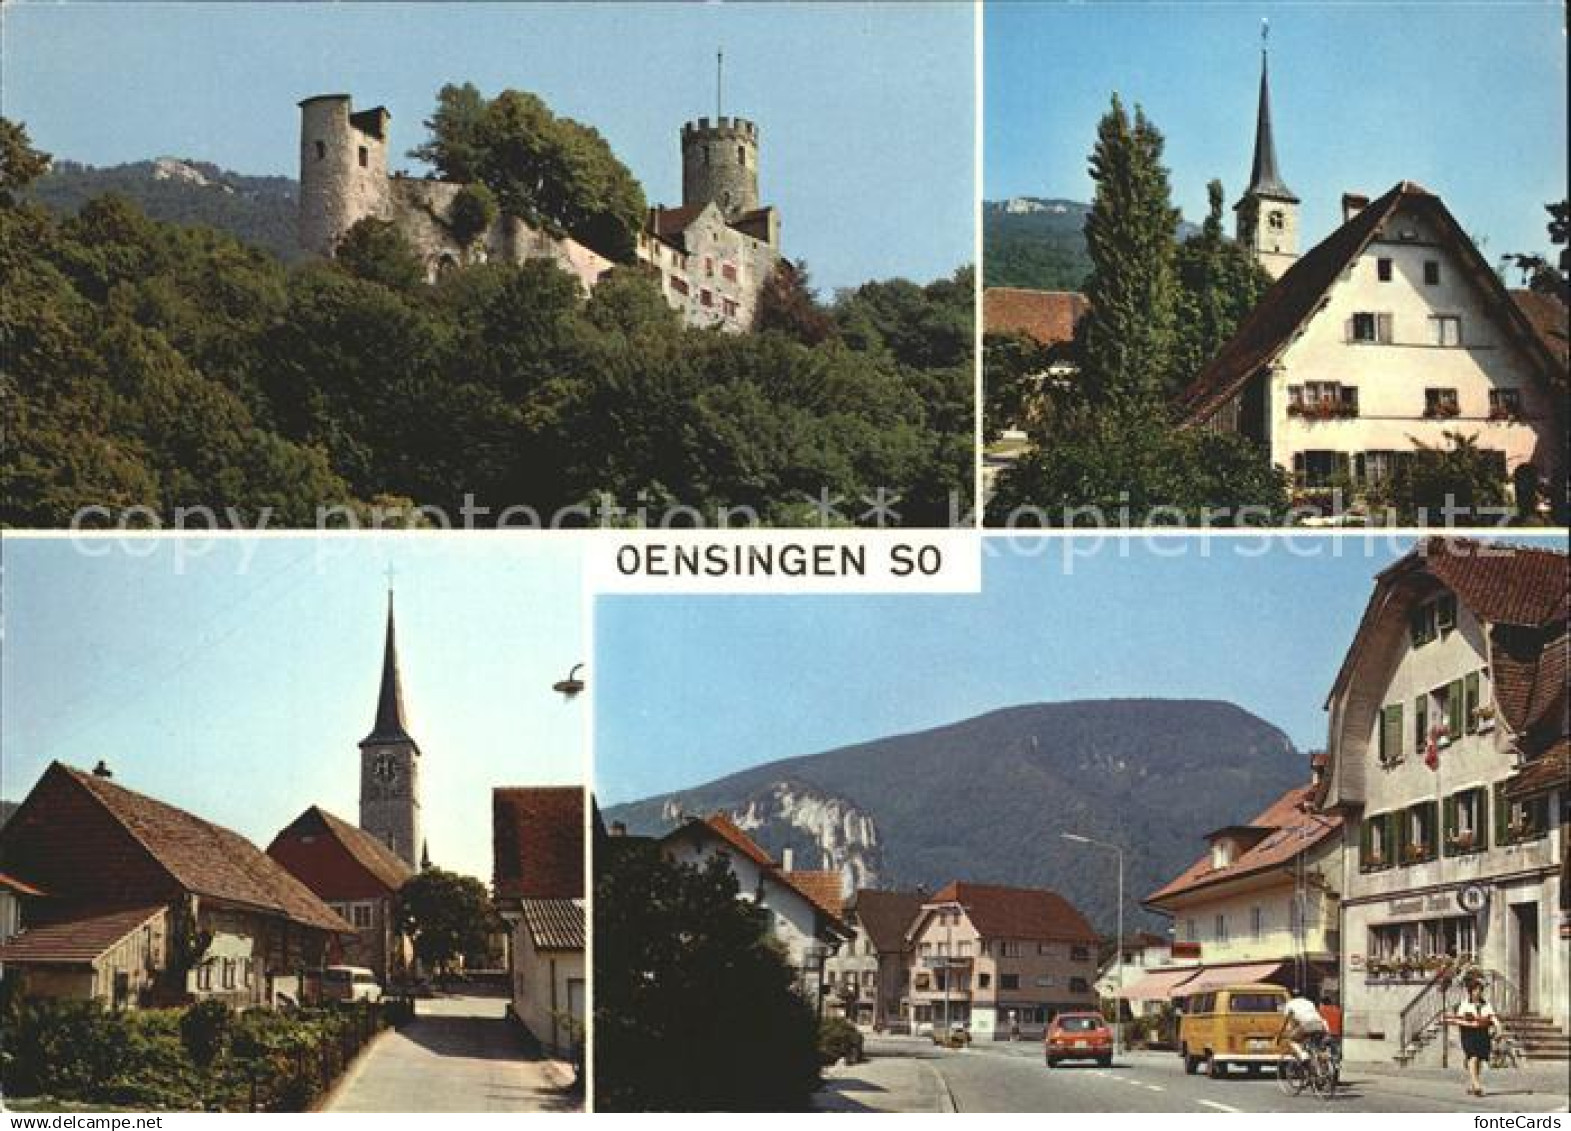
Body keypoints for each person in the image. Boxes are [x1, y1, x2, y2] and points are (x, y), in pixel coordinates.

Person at [1449, 980, 1500, 1097]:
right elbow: (1458, 1019)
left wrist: (1498, 1028)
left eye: (1479, 990)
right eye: (1475, 990)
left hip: (1482, 1033)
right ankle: (1477, 1085)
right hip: (1468, 1033)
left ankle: (1473, 1084)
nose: (1477, 993)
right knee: (1473, 1056)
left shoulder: (1486, 1004)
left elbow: (1493, 1018)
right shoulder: (1465, 1004)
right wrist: (1467, 1019)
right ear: (1470, 992)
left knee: (1479, 1059)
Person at [1278, 986, 1329, 1063]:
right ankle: (1324, 1063)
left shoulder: (1289, 1004)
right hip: (1319, 1024)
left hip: (1306, 1025)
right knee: (1318, 1045)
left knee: (1292, 1040)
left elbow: (1288, 1022)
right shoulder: (1309, 1002)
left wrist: (1281, 1034)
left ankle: (1303, 1056)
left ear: (1290, 995)